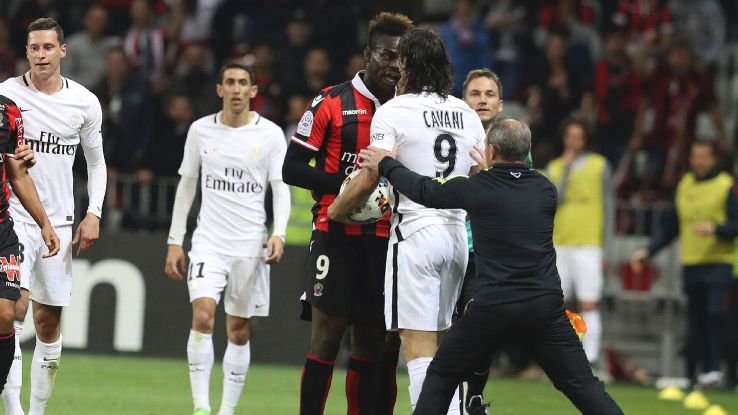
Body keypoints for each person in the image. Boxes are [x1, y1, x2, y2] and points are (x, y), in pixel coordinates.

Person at [359, 117, 624, 415]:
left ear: (491, 150)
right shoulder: (546, 190)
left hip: (493, 308)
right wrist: (494, 171)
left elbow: (424, 191)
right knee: (584, 386)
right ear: (527, 151)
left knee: (441, 377)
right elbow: (510, 193)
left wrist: (386, 164)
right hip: (543, 308)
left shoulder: (477, 188)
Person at [329, 27, 486, 414]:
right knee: (441, 346)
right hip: (455, 239)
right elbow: (483, 174)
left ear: (405, 63)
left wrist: (336, 210)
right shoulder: (466, 113)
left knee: (417, 349)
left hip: (415, 233)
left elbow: (370, 174)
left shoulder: (394, 110)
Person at [283, 12, 413, 415]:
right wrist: (347, 183)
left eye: (401, 59)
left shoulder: (407, 110)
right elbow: (292, 168)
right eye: (387, 56)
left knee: (372, 343)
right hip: (334, 235)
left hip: (384, 241)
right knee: (326, 339)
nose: (394, 65)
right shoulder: (330, 101)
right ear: (368, 54)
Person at [164, 63, 290, 415]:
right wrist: (176, 239)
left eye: (243, 83)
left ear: (253, 91)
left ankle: (227, 410)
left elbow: (280, 189)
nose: (236, 89)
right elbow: (187, 185)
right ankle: (201, 406)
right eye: (230, 83)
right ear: (219, 89)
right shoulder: (200, 131)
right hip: (209, 242)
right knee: (203, 316)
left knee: (238, 330)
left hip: (250, 245)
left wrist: (277, 233)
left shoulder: (270, 135)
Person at [0, 17, 107, 415]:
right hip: (11, 217)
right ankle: (14, 411)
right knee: (11, 311)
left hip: (58, 222)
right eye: (33, 48)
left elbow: (97, 164)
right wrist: (11, 155)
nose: (40, 55)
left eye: (48, 48)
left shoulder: (84, 102)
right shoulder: (5, 96)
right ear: (25, 51)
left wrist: (93, 212)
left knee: (47, 325)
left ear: (63, 50)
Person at [631, 140, 738, 388]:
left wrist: (717, 229)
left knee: (714, 316)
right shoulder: (684, 185)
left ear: (713, 159)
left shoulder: (725, 186)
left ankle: (714, 371)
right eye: (695, 156)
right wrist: (649, 250)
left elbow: (736, 224)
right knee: (695, 320)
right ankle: (694, 375)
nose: (699, 161)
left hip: (719, 262)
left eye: (704, 156)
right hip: (691, 262)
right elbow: (671, 227)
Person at [0, 96, 60, 395]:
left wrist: (44, 222)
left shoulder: (8, 111)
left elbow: (18, 172)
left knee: (5, 314)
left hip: (1, 228)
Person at [545, 118, 613, 370]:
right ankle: (558, 357)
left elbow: (610, 206)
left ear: (585, 139)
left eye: (578, 136)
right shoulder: (554, 167)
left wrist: (608, 247)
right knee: (556, 303)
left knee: (589, 303)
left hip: (589, 244)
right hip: (559, 242)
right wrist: (566, 171)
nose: (573, 141)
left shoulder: (600, 166)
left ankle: (590, 358)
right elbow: (552, 201)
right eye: (569, 136)